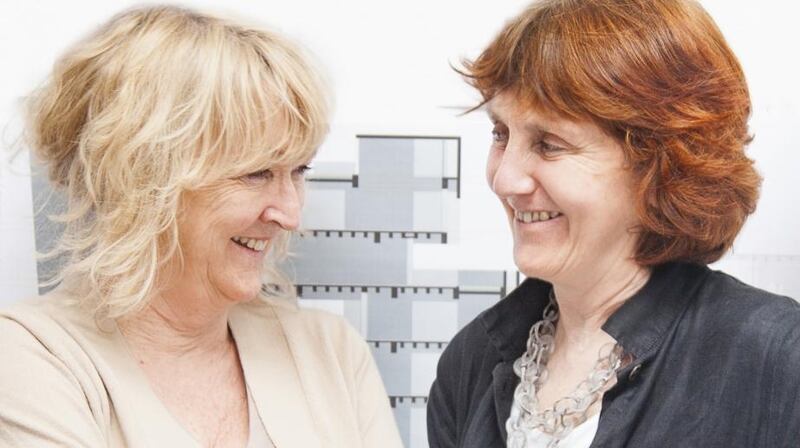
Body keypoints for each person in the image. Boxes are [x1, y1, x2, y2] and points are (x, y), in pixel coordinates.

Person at [0, 6, 402, 448]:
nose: (290, 214)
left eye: (299, 171)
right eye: (257, 174)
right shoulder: (36, 354)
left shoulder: (332, 355)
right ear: (145, 178)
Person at [427, 0, 800, 447]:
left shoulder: (774, 359)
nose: (506, 179)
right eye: (500, 134)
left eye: (549, 144)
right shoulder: (471, 362)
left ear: (659, 164)